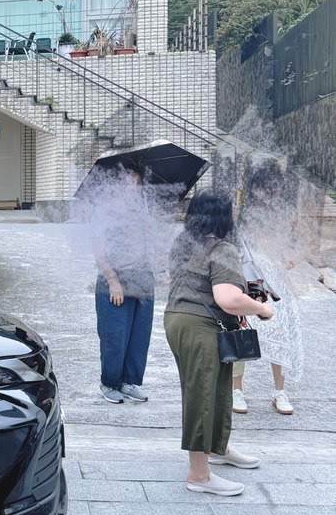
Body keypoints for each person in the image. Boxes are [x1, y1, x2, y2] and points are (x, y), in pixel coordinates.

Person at [163, 191, 275, 496]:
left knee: (217, 387)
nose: (236, 216)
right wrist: (263, 308)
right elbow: (227, 299)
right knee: (203, 394)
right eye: (232, 211)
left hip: (180, 319)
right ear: (222, 215)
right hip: (200, 324)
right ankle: (198, 475)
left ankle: (218, 447)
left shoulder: (184, 242)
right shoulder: (222, 247)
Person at [232, 156, 304, 417]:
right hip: (249, 278)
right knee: (243, 330)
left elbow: (304, 240)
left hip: (277, 280)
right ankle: (236, 389)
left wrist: (291, 258)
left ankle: (279, 391)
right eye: (264, 185)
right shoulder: (242, 211)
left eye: (274, 184)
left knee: (280, 331)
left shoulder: (284, 210)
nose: (269, 190)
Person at [90, 159, 156, 404]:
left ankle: (129, 382)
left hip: (142, 278)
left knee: (139, 335)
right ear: (117, 185)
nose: (134, 188)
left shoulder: (143, 209)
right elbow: (97, 247)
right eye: (129, 183)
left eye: (138, 183)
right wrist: (112, 281)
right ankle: (109, 383)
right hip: (115, 279)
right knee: (114, 335)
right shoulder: (105, 210)